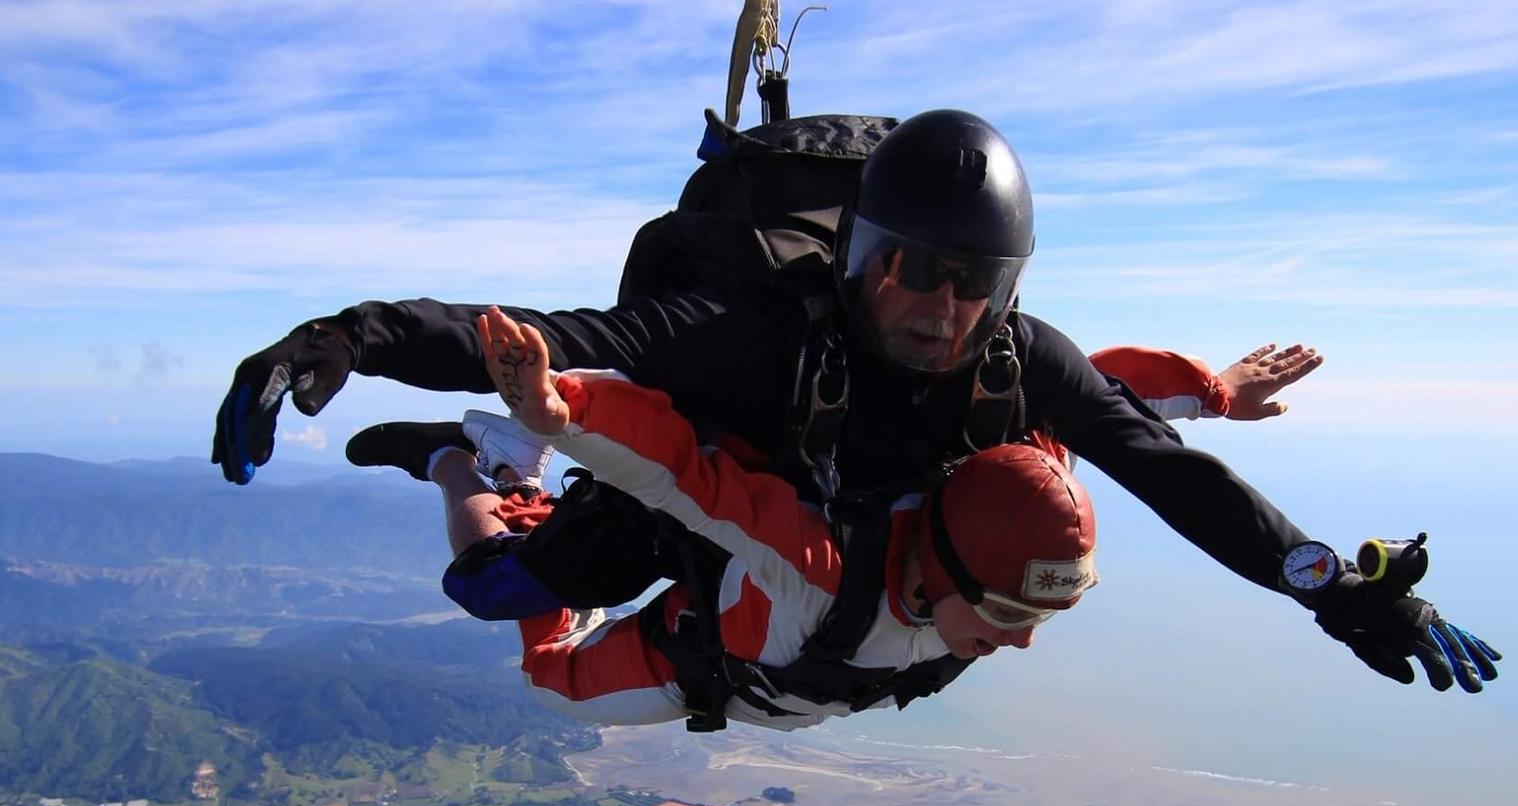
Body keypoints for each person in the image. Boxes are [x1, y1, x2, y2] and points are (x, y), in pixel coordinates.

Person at [214, 109, 1499, 694]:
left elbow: (1159, 465)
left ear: (1005, 286)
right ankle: (461, 469)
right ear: (857, 253)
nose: (937, 307)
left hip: (828, 539)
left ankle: (483, 458)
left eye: (972, 281)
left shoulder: (1017, 355)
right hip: (693, 500)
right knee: (499, 590)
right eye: (906, 269)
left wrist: (1326, 586)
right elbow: (543, 335)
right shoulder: (750, 335)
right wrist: (342, 339)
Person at [390, 308, 1098, 730]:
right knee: (535, 654)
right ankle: (475, 466)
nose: (1023, 642)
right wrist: (566, 412)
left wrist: (1209, 395)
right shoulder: (817, 569)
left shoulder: (1014, 492)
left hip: (775, 670)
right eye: (1010, 612)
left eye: (1041, 617)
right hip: (694, 660)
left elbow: (1106, 390)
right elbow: (683, 478)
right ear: (950, 567)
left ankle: (514, 462)